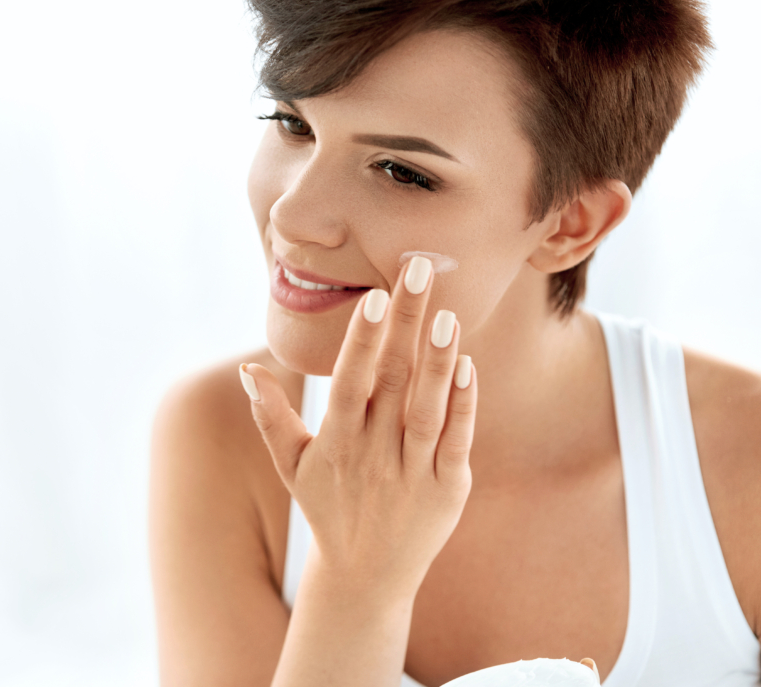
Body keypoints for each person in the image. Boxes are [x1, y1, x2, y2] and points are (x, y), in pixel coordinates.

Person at [149, 1, 761, 685]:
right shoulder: (224, 435)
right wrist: (355, 583)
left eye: (400, 171)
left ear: (571, 224)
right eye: (293, 123)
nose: (293, 215)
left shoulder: (744, 469)